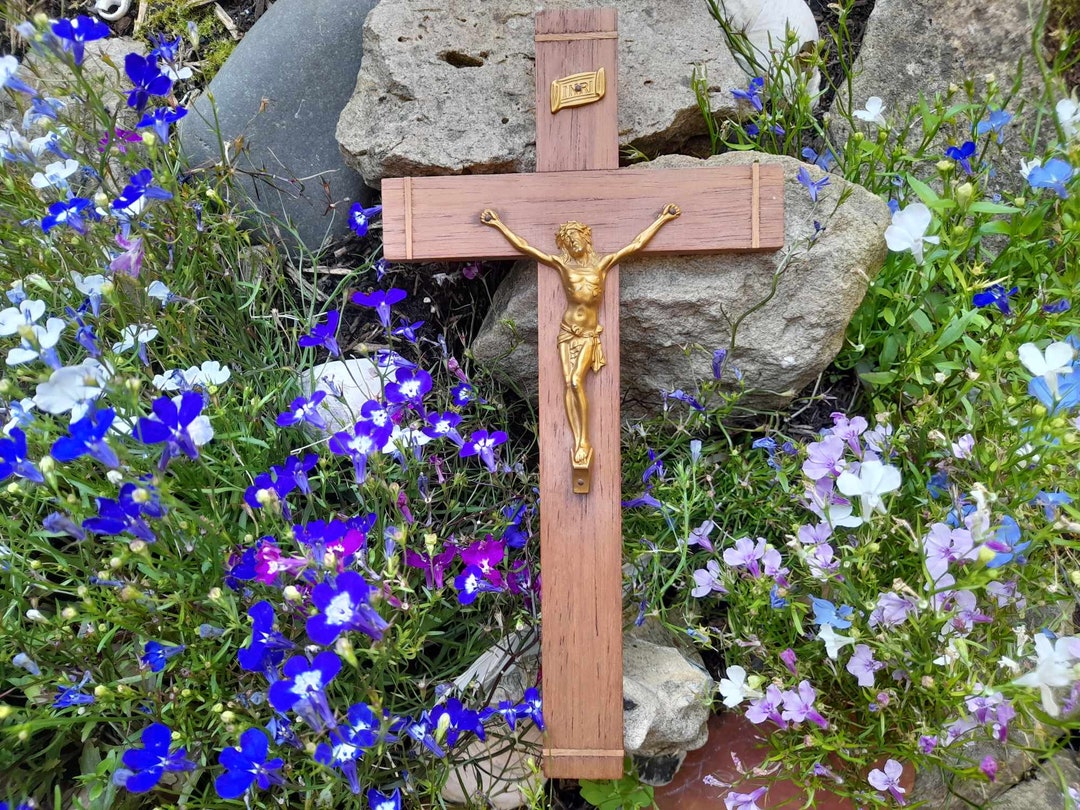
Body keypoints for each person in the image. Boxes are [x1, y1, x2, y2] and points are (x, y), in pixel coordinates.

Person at [481, 203, 681, 472]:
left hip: (588, 333)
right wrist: (499, 225)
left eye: (574, 238)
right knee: (569, 384)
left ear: (586, 237)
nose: (571, 244)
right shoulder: (562, 265)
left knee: (577, 381)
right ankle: (578, 441)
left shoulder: (603, 263)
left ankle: (584, 441)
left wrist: (662, 219)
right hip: (566, 331)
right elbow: (525, 247)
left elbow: (636, 244)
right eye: (566, 241)